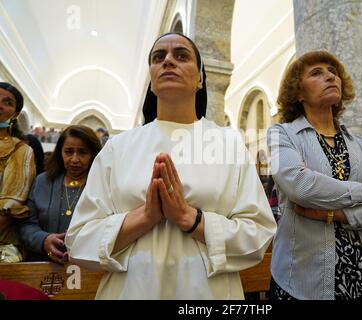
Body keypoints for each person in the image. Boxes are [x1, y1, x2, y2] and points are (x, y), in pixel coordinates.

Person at [65, 32, 276, 299]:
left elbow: (258, 232)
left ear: (200, 78)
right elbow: (80, 239)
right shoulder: (117, 148)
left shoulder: (227, 144)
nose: (168, 61)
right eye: (158, 57)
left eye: (181, 55)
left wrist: (190, 218)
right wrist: (145, 217)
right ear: (152, 81)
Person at [266, 51, 362, 300]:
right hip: (304, 284)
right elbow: (300, 186)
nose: (330, 76)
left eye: (333, 71)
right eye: (316, 73)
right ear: (298, 93)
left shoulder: (360, 144)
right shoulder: (282, 134)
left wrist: (338, 214)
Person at [19, 125, 101, 263]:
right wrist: (44, 240)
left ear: (94, 154)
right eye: (68, 152)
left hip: (89, 267)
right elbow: (27, 225)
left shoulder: (103, 186)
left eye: (82, 152)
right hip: (40, 265)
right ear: (60, 152)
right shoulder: (42, 182)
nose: (74, 159)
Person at [0, 82, 36, 263]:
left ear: (15, 114)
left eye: (7, 102)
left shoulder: (21, 151)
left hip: (3, 244)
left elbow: (10, 207)